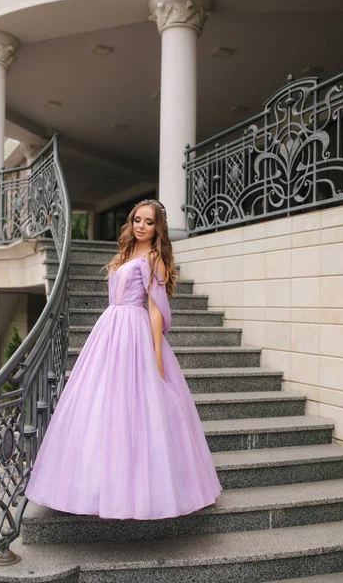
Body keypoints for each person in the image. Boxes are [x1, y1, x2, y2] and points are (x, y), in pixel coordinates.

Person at [25, 199, 222, 519]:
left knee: (140, 406)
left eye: (149, 222)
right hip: (109, 330)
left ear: (158, 228)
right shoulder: (125, 255)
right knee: (99, 402)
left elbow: (155, 308)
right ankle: (91, 486)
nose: (141, 226)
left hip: (135, 331)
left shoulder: (154, 259)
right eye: (137, 220)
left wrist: (156, 353)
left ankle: (143, 489)